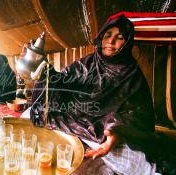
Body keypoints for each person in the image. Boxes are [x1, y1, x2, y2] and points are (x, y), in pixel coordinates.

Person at [29, 15, 176, 174]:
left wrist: (115, 132)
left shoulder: (132, 74)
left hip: (103, 132)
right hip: (74, 121)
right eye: (107, 35)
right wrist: (47, 73)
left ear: (127, 44)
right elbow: (62, 82)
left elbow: (140, 115)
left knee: (142, 164)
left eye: (119, 38)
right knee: (27, 118)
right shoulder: (87, 63)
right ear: (101, 38)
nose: (111, 41)